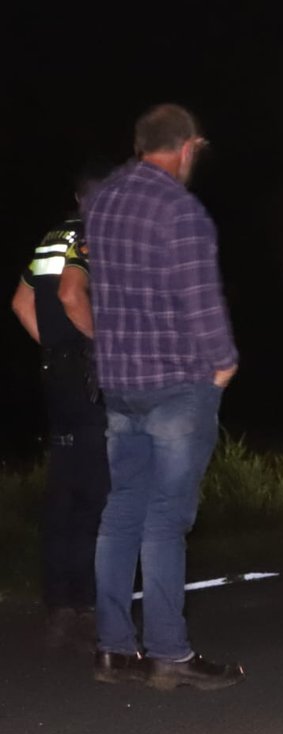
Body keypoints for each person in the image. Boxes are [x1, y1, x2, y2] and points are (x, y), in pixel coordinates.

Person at [82, 104, 243, 689]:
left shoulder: (102, 202)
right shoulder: (181, 210)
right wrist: (223, 365)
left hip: (120, 384)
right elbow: (201, 300)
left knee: (121, 510)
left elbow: (102, 294)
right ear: (187, 148)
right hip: (176, 383)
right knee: (165, 519)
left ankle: (112, 647)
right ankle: (169, 654)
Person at [11, 169, 109, 652]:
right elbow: (73, 295)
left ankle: (59, 605)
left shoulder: (53, 236)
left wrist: (53, 350)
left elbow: (20, 301)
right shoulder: (96, 233)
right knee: (96, 492)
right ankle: (87, 604)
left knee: (64, 490)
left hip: (57, 375)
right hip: (88, 377)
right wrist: (102, 348)